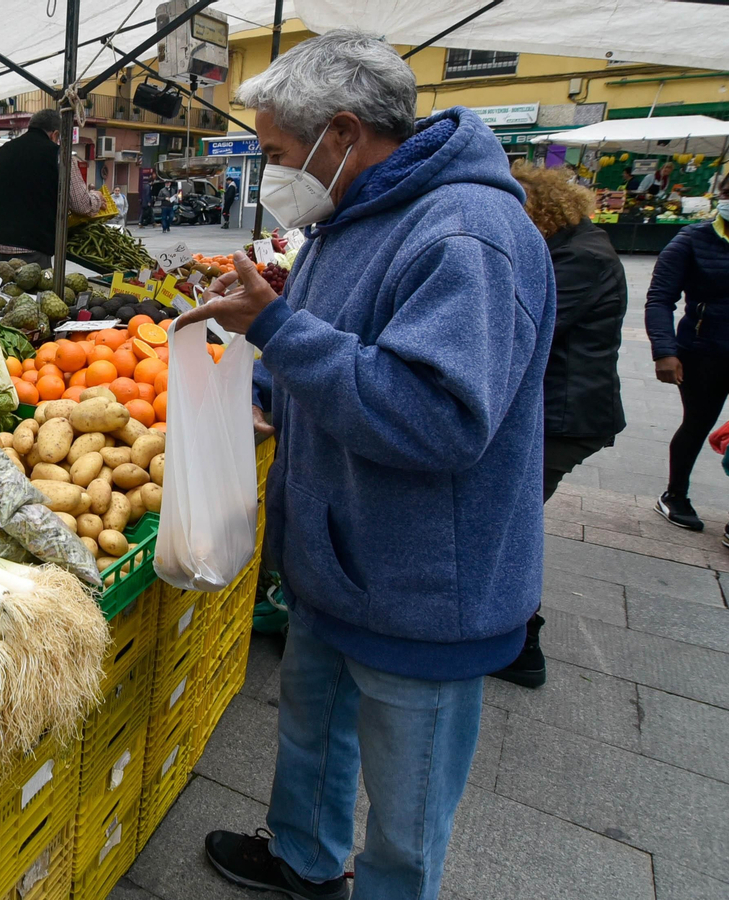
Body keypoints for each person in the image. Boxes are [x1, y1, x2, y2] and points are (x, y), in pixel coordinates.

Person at [180, 32, 554, 900]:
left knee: (406, 809)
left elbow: (438, 418)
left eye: (274, 152)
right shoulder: (351, 216)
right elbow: (334, 341)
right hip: (339, 558)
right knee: (312, 729)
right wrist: (264, 386)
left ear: (340, 133)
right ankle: (302, 859)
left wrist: (277, 330)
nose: (269, 172)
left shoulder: (467, 235)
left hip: (422, 587)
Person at [491, 161, 628, 689]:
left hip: (563, 414)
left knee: (506, 520)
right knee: (507, 517)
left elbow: (517, 328)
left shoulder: (580, 258)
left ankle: (522, 643)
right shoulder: (570, 248)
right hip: (554, 406)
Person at [646, 161, 729, 556]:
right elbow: (660, 298)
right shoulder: (694, 239)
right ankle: (676, 494)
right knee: (697, 422)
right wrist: (665, 351)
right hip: (704, 351)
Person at [0, 108, 103, 265]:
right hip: (31, 251)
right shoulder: (60, 156)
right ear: (55, 134)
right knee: (29, 289)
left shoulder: (0, 153)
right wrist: (96, 198)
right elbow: (81, 205)